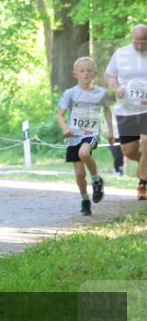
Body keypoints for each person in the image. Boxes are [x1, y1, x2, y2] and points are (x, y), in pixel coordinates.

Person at [57, 57, 115, 215]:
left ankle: (96, 180)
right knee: (80, 174)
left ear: (95, 73)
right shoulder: (70, 93)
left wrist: (111, 132)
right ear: (75, 74)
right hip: (73, 135)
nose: (86, 74)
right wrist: (65, 128)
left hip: (91, 133)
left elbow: (107, 111)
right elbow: (60, 115)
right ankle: (84, 200)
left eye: (89, 70)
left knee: (84, 153)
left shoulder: (101, 93)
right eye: (82, 71)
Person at [105, 24, 147, 200]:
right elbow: (109, 75)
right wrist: (116, 88)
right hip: (126, 109)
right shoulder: (121, 53)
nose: (139, 46)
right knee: (129, 151)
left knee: (146, 142)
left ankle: (143, 184)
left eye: (143, 43)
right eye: (136, 42)